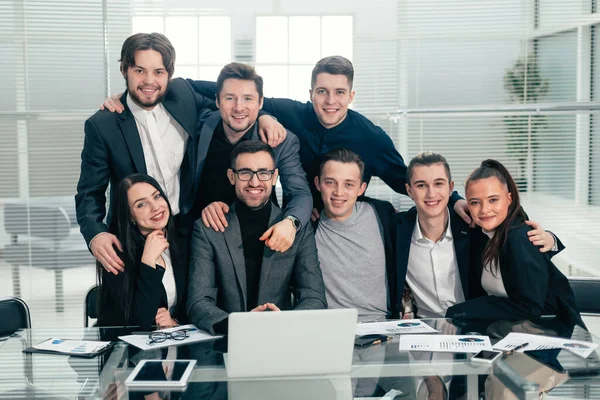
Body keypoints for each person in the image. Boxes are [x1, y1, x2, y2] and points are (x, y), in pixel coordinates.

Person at [101, 55, 472, 224]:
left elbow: (406, 178)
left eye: (339, 93)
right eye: (322, 91)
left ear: (352, 96)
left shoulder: (369, 136)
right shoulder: (288, 111)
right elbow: (194, 87)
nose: (330, 101)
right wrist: (127, 96)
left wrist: (453, 200)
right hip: (234, 221)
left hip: (334, 220)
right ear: (310, 92)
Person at [77, 33, 284, 275]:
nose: (149, 81)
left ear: (169, 74)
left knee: (188, 309)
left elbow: (236, 96)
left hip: (186, 232)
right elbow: (89, 193)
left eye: (158, 72)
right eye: (139, 71)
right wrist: (96, 234)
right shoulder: (103, 125)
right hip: (132, 241)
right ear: (124, 69)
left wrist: (265, 116)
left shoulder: (183, 95)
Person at [187, 140, 327, 335]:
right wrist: (240, 326)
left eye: (263, 173)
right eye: (245, 173)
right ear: (231, 176)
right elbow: (198, 301)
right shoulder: (207, 228)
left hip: (282, 337)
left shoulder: (296, 228)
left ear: (274, 176)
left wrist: (286, 322)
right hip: (226, 342)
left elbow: (315, 297)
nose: (254, 182)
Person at [396, 152, 558, 319]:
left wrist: (550, 239)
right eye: (421, 185)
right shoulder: (396, 230)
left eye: (439, 183)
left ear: (451, 188)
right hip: (423, 330)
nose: (431, 194)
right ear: (409, 190)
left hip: (473, 327)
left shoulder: (473, 226)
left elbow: (510, 221)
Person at [445, 159, 584, 328]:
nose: (484, 209)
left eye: (493, 200)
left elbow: (530, 308)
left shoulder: (519, 238)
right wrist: (454, 199)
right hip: (509, 331)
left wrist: (461, 311)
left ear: (508, 199)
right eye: (475, 202)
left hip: (551, 333)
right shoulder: (483, 232)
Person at [192, 62, 312, 253]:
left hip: (258, 241)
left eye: (248, 99)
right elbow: (172, 89)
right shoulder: (200, 124)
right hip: (199, 238)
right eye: (230, 98)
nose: (239, 108)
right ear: (217, 101)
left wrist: (291, 222)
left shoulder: (280, 140)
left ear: (261, 102)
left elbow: (300, 193)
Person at [313, 148, 401, 322]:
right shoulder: (307, 225)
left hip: (381, 326)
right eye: (330, 182)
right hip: (328, 327)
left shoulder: (382, 214)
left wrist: (456, 202)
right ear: (318, 184)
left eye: (348, 184)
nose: (339, 192)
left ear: (361, 188)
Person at [97, 173, 186, 330]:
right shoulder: (116, 254)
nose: (155, 207)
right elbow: (137, 323)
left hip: (177, 342)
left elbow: (195, 304)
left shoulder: (184, 241)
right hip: (131, 350)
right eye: (141, 205)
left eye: (157, 196)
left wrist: (174, 322)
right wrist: (148, 261)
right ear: (130, 216)